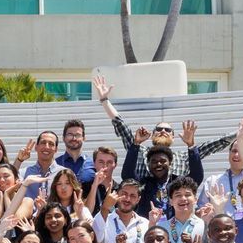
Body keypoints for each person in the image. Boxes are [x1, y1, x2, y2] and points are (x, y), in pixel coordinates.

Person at [94, 74, 235, 180]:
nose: (163, 131)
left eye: (168, 130)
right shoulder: (139, 151)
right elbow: (120, 125)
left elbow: (215, 144)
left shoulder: (185, 156)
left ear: (173, 137)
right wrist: (104, 100)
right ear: (152, 135)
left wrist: (242, 133)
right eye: (159, 129)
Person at [15, 131, 64, 199]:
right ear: (36, 147)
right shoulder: (24, 173)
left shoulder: (64, 173)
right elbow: (10, 179)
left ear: (56, 149)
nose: (47, 147)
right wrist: (19, 160)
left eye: (51, 144)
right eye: (43, 143)